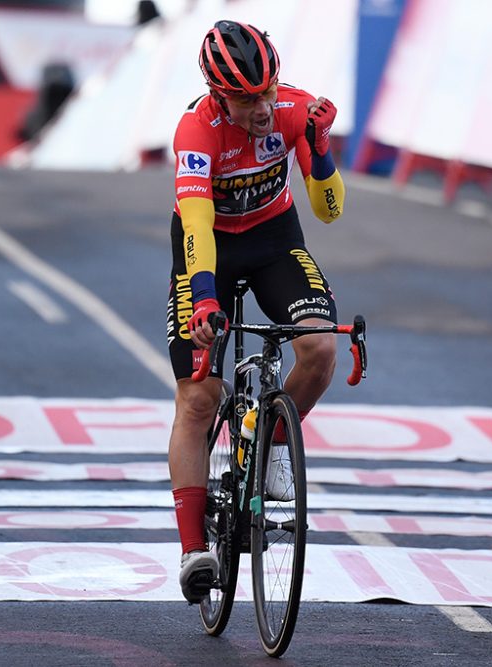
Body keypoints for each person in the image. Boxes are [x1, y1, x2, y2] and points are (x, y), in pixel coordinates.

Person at [165, 20, 345, 603]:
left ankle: (264, 438)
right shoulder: (198, 130)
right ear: (221, 94)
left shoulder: (294, 109)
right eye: (248, 98)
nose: (264, 106)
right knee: (198, 395)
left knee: (320, 349)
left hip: (274, 240)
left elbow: (331, 212)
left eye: (268, 90)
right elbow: (195, 224)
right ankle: (194, 550)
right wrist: (206, 296)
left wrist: (318, 152)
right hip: (209, 246)